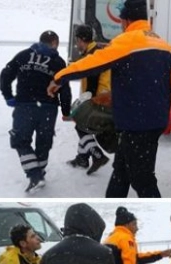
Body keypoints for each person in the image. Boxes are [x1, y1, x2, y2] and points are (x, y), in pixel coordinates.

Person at [48, 0, 171, 198]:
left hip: (137, 124)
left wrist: (59, 77)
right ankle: (115, 202)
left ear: (125, 20)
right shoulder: (163, 44)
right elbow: (168, 87)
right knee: (121, 172)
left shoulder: (126, 42)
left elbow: (92, 63)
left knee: (143, 179)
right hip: (153, 120)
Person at [0, 30, 72, 193]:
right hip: (48, 108)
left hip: (25, 105)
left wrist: (8, 96)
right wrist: (66, 111)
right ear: (54, 43)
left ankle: (35, 175)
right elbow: (64, 89)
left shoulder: (23, 55)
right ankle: (39, 174)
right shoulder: (58, 62)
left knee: (20, 140)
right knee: (44, 142)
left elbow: (6, 74)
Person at [66, 24, 110, 175]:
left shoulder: (93, 55)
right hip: (103, 97)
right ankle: (82, 158)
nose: (76, 44)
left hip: (100, 99)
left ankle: (97, 155)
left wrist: (84, 102)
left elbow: (92, 81)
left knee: (81, 124)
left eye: (77, 40)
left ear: (82, 39)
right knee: (82, 124)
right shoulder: (95, 51)